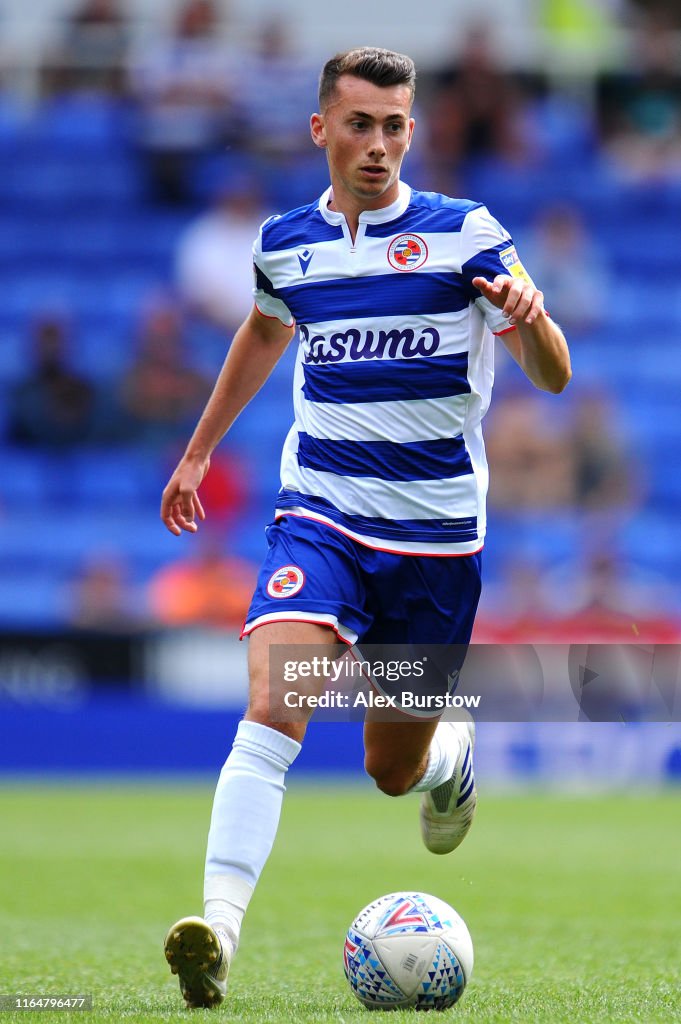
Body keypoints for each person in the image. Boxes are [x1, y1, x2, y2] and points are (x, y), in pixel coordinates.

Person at [159, 47, 571, 1009]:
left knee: (390, 770)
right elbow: (264, 330)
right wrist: (197, 450)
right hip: (322, 517)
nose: (378, 144)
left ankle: (446, 760)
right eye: (359, 124)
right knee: (274, 697)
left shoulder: (465, 235)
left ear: (411, 133)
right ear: (321, 130)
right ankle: (215, 929)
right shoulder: (286, 243)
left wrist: (531, 318)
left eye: (394, 126)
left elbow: (551, 375)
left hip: (432, 545)